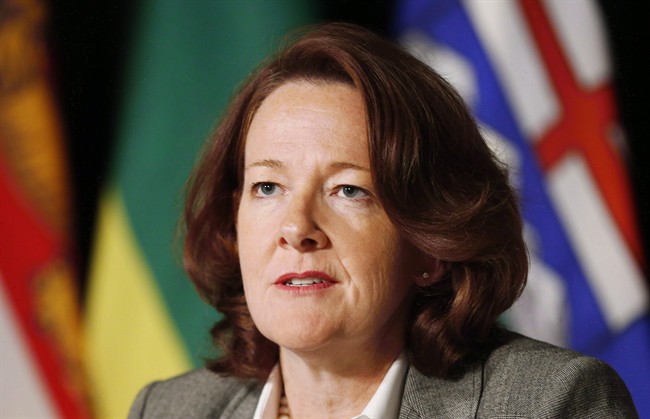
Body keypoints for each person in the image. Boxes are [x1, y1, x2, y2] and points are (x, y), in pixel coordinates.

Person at [127, 22, 638, 418]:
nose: (296, 228)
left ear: (432, 242)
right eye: (267, 187)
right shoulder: (168, 410)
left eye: (349, 190)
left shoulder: (551, 404)